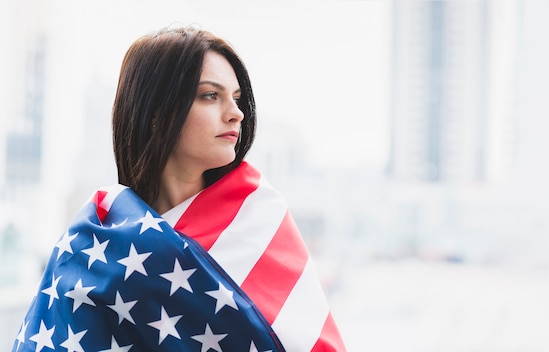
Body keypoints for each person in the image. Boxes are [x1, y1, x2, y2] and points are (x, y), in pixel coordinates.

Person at [13, 26, 346, 351]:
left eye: (237, 98)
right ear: (155, 113)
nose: (236, 114)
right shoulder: (92, 242)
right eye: (210, 96)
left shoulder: (260, 217)